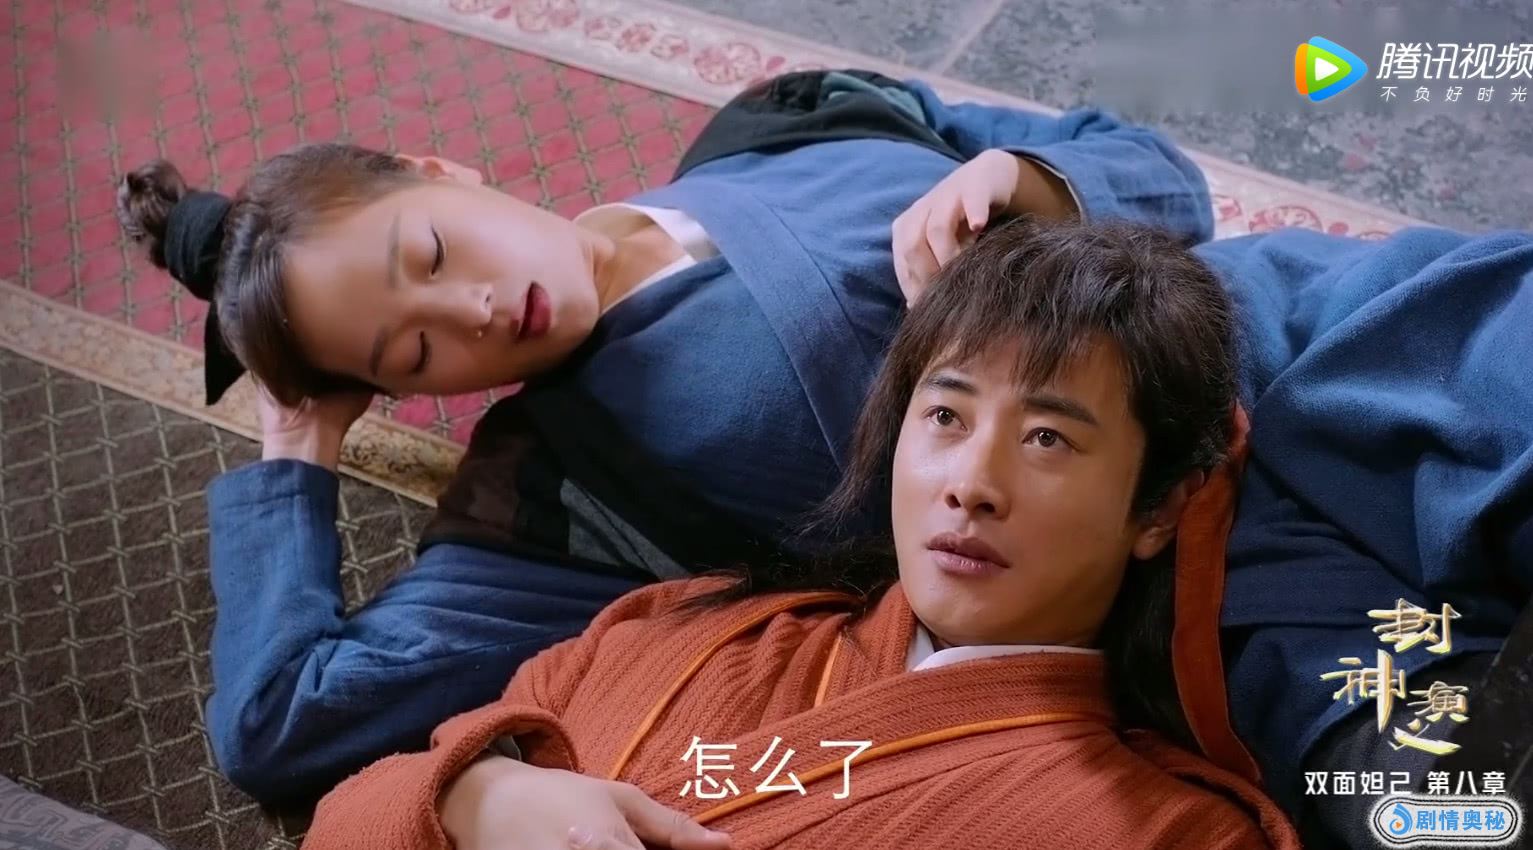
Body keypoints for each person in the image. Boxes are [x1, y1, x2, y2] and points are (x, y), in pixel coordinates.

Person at [115, 71, 1214, 802]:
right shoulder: (549, 495)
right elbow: (280, 724)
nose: (472, 312)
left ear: (442, 171)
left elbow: (1165, 181)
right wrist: (296, 452)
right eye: (411, 353)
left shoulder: (782, 122)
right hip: (1197, 566)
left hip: (1257, 329)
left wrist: (1026, 183)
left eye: (432, 254)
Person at [296, 217, 1301, 850]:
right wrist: (477, 798)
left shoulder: (1172, 830)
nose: (970, 485)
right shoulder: (678, 627)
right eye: (945, 416)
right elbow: (345, 821)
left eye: (1048, 438)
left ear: (1159, 508)